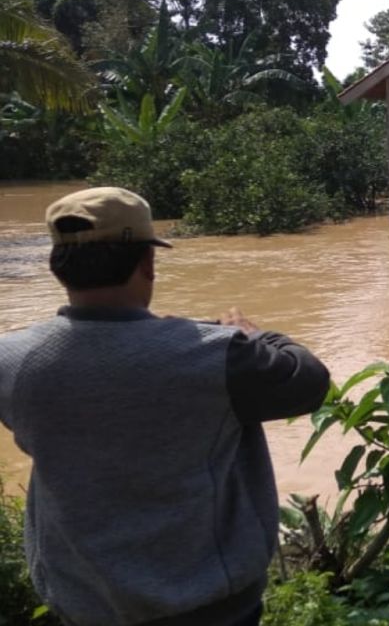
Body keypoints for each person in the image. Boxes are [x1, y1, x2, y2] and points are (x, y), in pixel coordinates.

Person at [0, 187, 330, 626]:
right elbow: (308, 380)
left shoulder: (12, 359)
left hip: (84, 604)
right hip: (212, 607)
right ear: (147, 263)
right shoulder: (218, 356)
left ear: (58, 268)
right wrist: (253, 334)